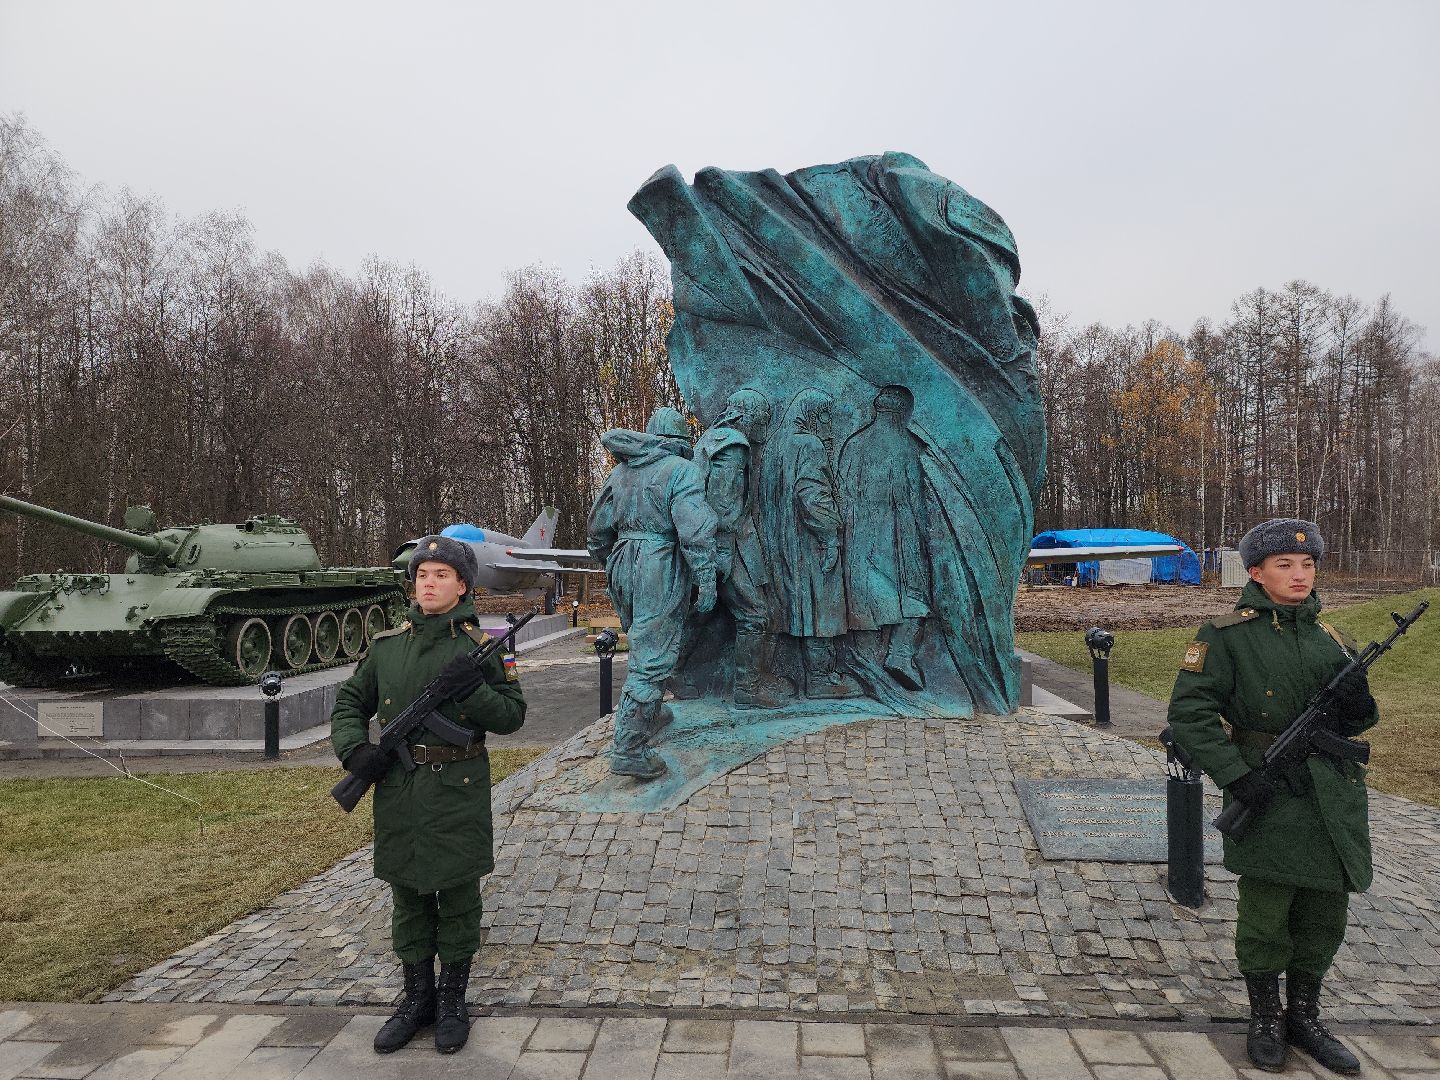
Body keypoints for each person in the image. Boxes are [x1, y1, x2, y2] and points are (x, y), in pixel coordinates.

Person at [1168, 519, 1374, 1076]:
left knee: (1325, 914)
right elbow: (1188, 715)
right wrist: (1237, 777)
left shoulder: (1331, 638)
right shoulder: (1226, 635)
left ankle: (1304, 1017)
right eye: (1285, 565)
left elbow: (1359, 722)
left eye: (1307, 565)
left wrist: (1358, 702)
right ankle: (1264, 1017)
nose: (1299, 575)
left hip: (1331, 798)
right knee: (1266, 914)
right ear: (1256, 573)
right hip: (1270, 794)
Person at [331, 534, 526, 1055]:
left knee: (459, 895)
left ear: (463, 586)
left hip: (458, 789)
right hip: (398, 787)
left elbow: (511, 717)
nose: (430, 584)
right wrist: (355, 752)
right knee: (408, 894)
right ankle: (416, 998)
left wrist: (474, 689)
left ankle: (452, 999)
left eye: (441, 575)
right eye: (422, 575)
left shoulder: (480, 647)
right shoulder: (386, 647)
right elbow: (350, 701)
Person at [587, 407, 718, 779]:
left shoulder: (620, 472)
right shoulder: (682, 471)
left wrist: (610, 563)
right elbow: (694, 529)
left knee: (642, 641)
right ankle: (628, 748)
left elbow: (597, 529)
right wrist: (705, 578)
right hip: (659, 562)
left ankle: (651, 712)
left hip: (622, 561)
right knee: (653, 655)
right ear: (679, 443)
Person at [682, 388, 792, 708]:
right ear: (748, 417)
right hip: (721, 545)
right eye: (762, 420)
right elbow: (723, 503)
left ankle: (674, 668)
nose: (765, 428)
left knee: (703, 613)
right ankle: (747, 686)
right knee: (755, 613)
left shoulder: (711, 439)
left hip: (710, 542)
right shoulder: (733, 446)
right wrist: (722, 554)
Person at [763, 387, 863, 699]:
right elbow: (812, 495)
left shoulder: (774, 446)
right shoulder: (809, 444)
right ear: (812, 415)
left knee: (801, 606)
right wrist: (830, 536)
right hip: (808, 543)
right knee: (821, 606)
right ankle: (820, 679)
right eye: (825, 417)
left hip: (783, 542)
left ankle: (806, 672)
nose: (829, 424)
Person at [837, 385, 932, 690]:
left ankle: (871, 660)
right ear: (902, 414)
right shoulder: (910, 447)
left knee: (868, 596)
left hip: (862, 534)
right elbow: (917, 500)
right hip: (899, 534)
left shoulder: (854, 445)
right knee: (913, 595)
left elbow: (843, 494)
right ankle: (899, 654)